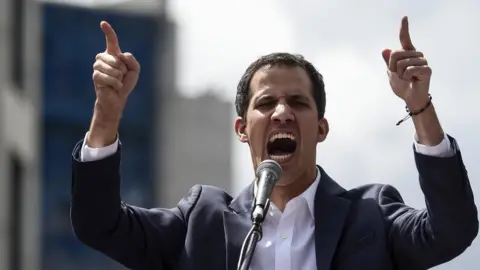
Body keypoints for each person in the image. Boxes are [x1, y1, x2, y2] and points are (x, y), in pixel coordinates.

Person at [70, 16, 478, 270]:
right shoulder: (201, 223)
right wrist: (106, 116)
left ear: (320, 128)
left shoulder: (372, 217)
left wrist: (420, 106)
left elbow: (452, 230)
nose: (282, 112)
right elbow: (98, 224)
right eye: (266, 103)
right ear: (242, 129)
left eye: (298, 103)